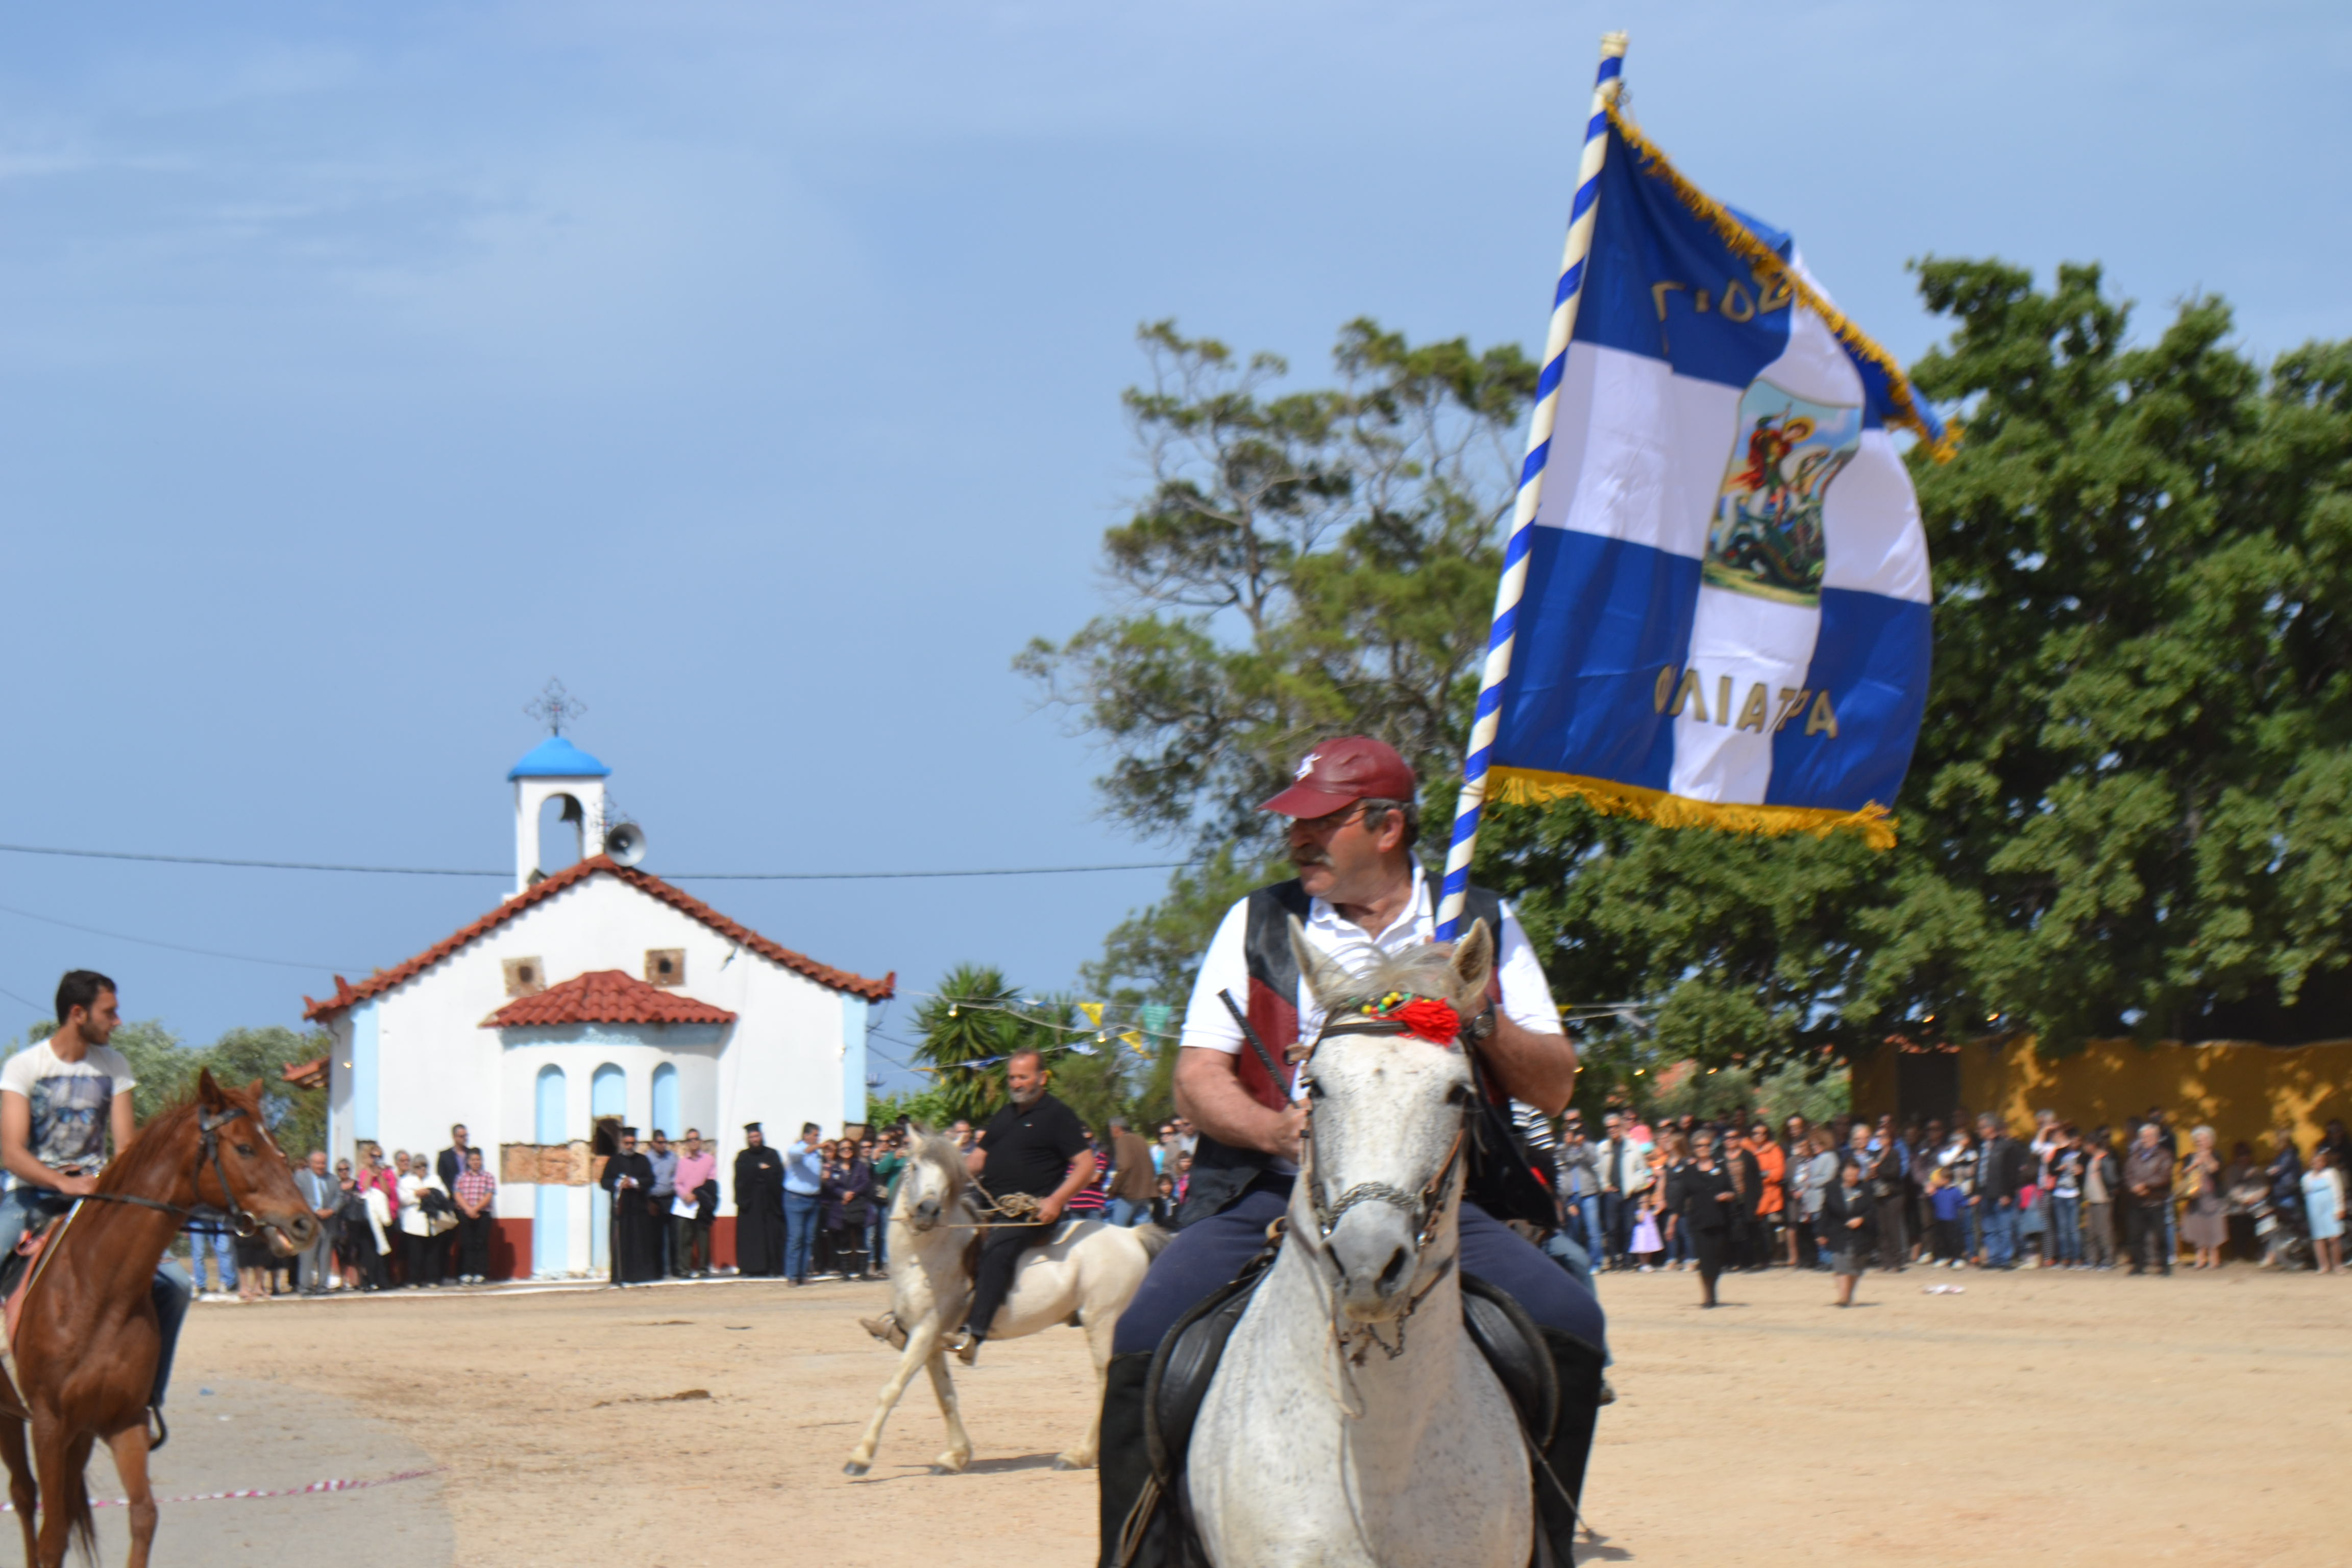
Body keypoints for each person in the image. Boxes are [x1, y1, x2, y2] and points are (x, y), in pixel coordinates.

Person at [1096, 738, 1604, 1568]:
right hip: (1269, 1190)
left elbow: (1552, 1085)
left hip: (1440, 1200)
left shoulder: (1481, 917)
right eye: (1296, 823)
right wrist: (1274, 1130)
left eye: (1320, 822)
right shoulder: (1257, 923)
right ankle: (1135, 1553)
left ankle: (1542, 1541)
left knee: (1570, 1319)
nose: (1297, 839)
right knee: (1146, 1329)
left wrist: (1470, 1012)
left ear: (1387, 827)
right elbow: (1196, 1078)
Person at [0, 971, 191, 1415]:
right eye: (110, 1012)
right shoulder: (24, 1067)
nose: (117, 1021)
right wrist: (61, 1181)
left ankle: (147, 1396)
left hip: (97, 1198)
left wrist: (110, 1186)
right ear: (78, 1014)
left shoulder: (114, 1066)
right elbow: (11, 1151)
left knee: (178, 1285)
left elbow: (125, 1148)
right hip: (31, 1197)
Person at [948, 1049, 1094, 1363]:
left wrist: (1057, 1200)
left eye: (1023, 1077)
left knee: (997, 1250)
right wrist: (947, 1173)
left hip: (1031, 1212)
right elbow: (978, 1160)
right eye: (1012, 1078)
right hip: (990, 1205)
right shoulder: (1004, 1114)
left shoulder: (1058, 1115)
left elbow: (1086, 1165)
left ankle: (974, 1334)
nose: (1016, 1083)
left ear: (1042, 1078)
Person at [1669, 1129, 1736, 1307]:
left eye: (1706, 1145)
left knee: (1718, 1260)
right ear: (1694, 1148)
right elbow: (1680, 1198)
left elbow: (1733, 1191)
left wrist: (1728, 1196)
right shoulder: (1689, 1171)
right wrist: (1672, 1222)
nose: (1703, 1149)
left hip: (1720, 1220)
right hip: (1699, 1222)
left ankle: (1712, 1289)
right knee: (1705, 1260)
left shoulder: (1721, 1167)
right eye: (1699, 1146)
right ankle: (1708, 1296)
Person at [600, 1127, 662, 1285]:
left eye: (633, 1143)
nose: (630, 1146)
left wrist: (634, 1182)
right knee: (621, 1242)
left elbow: (650, 1180)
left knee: (639, 1242)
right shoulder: (614, 1161)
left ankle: (639, 1275)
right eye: (627, 1143)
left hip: (638, 1209)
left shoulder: (643, 1160)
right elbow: (604, 1182)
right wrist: (620, 1183)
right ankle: (620, 1275)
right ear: (622, 1143)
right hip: (621, 1210)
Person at [1973, 1114, 2029, 1269]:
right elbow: (1980, 1171)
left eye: (1982, 1127)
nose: (1979, 1131)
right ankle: (1994, 1258)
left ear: (1991, 1128)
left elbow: (2012, 1172)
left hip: (2001, 1194)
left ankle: (2005, 1259)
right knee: (1989, 1229)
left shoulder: (2007, 1146)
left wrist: (2008, 1194)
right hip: (1986, 1193)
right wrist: (1977, 1192)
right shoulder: (1983, 1147)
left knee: (2004, 1228)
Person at [2122, 1121, 2174, 1276]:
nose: (2145, 1140)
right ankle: (2139, 1266)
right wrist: (2134, 1186)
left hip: (2156, 1201)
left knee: (2160, 1235)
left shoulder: (2165, 1155)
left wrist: (2145, 1186)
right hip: (2136, 1201)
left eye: (2149, 1137)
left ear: (2157, 1138)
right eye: (2143, 1137)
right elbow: (2127, 1174)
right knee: (2135, 1236)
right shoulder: (2134, 1156)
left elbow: (2164, 1177)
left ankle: (2164, 1266)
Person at [1822, 1157, 1876, 1307]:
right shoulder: (1832, 1187)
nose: (1851, 1176)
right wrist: (1821, 1233)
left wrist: (1862, 1220)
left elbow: (1873, 1210)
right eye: (1849, 1173)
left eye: (1855, 1174)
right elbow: (1825, 1211)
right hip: (1838, 1230)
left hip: (1861, 1233)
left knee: (1855, 1267)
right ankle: (1843, 1298)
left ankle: (1848, 1296)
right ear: (1843, 1172)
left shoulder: (1866, 1188)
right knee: (1841, 1265)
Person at [732, 1124, 785, 1276]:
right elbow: (741, 1177)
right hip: (751, 1204)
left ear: (761, 1136)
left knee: (771, 1235)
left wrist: (758, 1171)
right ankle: (750, 1268)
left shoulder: (772, 1154)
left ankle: (772, 1267)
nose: (755, 1140)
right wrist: (759, 1169)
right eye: (752, 1137)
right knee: (751, 1236)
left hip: (769, 1202)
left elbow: (778, 1174)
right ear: (748, 1139)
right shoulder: (743, 1157)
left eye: (757, 1136)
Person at [671, 1130, 718, 1279]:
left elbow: (711, 1181)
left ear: (701, 1141)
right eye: (690, 1140)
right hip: (686, 1205)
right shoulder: (682, 1162)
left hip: (701, 1203)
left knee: (703, 1238)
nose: (694, 1142)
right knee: (685, 1238)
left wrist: (698, 1194)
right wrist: (686, 1195)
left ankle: (704, 1269)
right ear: (687, 1143)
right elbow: (677, 1183)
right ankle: (685, 1269)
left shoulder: (709, 1160)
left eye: (696, 1139)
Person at [2178, 1125, 2226, 1269]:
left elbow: (2216, 1170)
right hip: (2195, 1198)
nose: (2201, 1143)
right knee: (2198, 1227)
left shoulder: (2217, 1155)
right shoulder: (2189, 1157)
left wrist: (2206, 1158)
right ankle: (2200, 1259)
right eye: (2198, 1141)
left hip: (2212, 1197)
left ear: (2211, 1141)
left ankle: (2214, 1258)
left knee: (2214, 1227)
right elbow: (2183, 1173)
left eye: (2204, 1140)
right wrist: (2194, 1164)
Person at [823, 1140, 872, 1279]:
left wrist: (852, 1193)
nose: (847, 1151)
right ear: (839, 1151)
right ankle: (845, 1272)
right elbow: (831, 1185)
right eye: (843, 1149)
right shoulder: (835, 1168)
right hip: (841, 1207)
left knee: (860, 1238)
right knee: (843, 1239)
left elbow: (865, 1182)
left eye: (849, 1148)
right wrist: (843, 1194)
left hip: (857, 1206)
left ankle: (863, 1272)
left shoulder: (860, 1166)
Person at [292, 1150, 339, 1295]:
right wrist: (315, 1210)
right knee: (307, 1255)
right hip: (309, 1221)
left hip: (328, 1222)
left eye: (323, 1163)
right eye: (318, 1163)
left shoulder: (332, 1179)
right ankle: (305, 1287)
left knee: (325, 1255)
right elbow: (297, 1197)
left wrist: (331, 1210)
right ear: (311, 1163)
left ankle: (322, 1286)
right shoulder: (301, 1178)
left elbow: (340, 1197)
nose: (321, 1166)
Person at [782, 1122, 824, 1285]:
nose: (817, 1138)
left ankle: (803, 1274)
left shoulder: (817, 1154)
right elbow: (797, 1153)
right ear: (806, 1135)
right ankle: (792, 1276)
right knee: (796, 1238)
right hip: (796, 1198)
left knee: (809, 1239)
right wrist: (818, 1146)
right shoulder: (797, 1149)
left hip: (813, 1198)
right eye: (815, 1135)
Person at [396, 1153, 444, 1288]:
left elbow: (444, 1195)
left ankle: (432, 1279)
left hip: (433, 1221)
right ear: (413, 1167)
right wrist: (416, 1195)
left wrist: (431, 1193)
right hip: (414, 1222)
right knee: (415, 1254)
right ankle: (414, 1280)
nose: (422, 1169)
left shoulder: (434, 1179)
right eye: (418, 1166)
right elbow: (403, 1199)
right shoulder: (406, 1181)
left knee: (433, 1253)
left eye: (424, 1166)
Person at [453, 1147, 497, 1283]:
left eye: (478, 1159)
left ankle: (481, 1273)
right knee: (467, 1243)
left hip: (483, 1214)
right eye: (473, 1160)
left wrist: (476, 1209)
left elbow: (489, 1195)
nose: (476, 1162)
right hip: (465, 1214)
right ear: (468, 1161)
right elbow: (457, 1194)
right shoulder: (462, 1177)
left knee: (481, 1243)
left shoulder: (488, 1177)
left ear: (482, 1160)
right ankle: (467, 1272)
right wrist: (468, 1209)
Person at [1104, 1117, 1156, 1228]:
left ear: (1116, 1129)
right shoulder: (1141, 1139)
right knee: (1145, 1230)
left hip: (1129, 1194)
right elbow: (1151, 1165)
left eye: (1110, 1129)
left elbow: (1124, 1167)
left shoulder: (1122, 1141)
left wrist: (1113, 1190)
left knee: (1118, 1229)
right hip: (1146, 1192)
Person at [641, 1129, 679, 1279]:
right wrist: (648, 1201)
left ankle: (675, 1269)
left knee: (674, 1236)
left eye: (665, 1142)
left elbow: (677, 1176)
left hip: (671, 1198)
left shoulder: (672, 1157)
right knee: (656, 1237)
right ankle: (657, 1271)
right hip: (654, 1200)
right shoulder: (647, 1160)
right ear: (653, 1143)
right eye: (660, 1142)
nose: (663, 1145)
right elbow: (645, 1181)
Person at [2081, 1127, 2120, 1270]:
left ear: (2092, 1145)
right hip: (2091, 1200)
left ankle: (2109, 1260)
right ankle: (2092, 1259)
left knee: (2104, 1231)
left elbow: (2112, 1180)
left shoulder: (2105, 1159)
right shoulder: (2091, 1160)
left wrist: (2110, 1193)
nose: (2084, 1147)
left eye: (2086, 1144)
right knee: (2090, 1231)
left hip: (2102, 1200)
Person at [2301, 1148, 2344, 1274]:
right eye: (2316, 1162)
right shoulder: (2306, 1178)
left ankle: (2337, 1265)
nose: (2318, 1164)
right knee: (2319, 1238)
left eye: (2321, 1161)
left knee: (2334, 1237)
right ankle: (2324, 1266)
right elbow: (2306, 1194)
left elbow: (2338, 1191)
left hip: (2330, 1208)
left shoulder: (2331, 1174)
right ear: (2311, 1163)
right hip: (2315, 1210)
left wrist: (2339, 1208)